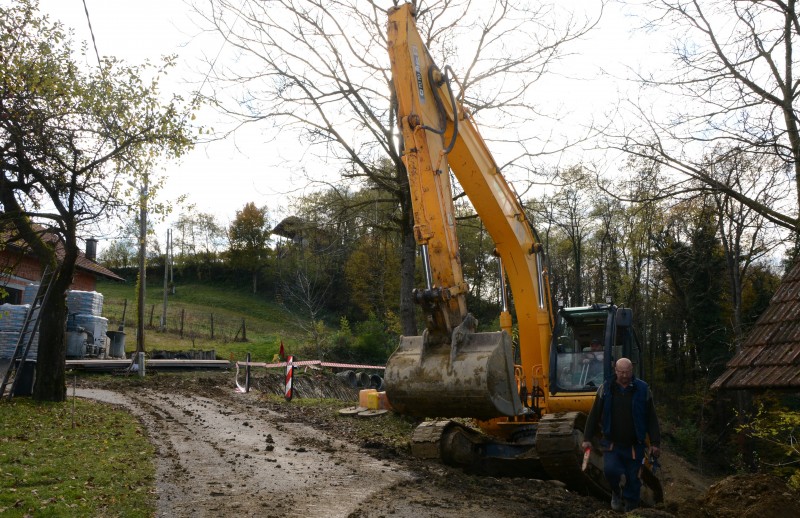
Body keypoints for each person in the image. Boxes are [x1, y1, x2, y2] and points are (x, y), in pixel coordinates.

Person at [581, 357, 661, 512]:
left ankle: (631, 509)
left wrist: (655, 443)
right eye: (621, 372)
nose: (624, 375)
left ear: (632, 370)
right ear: (615, 371)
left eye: (627, 372)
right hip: (612, 443)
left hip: (635, 445)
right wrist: (587, 438)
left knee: (634, 479)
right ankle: (616, 492)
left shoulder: (643, 389)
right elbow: (594, 414)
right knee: (610, 470)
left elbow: (651, 418)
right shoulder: (606, 388)